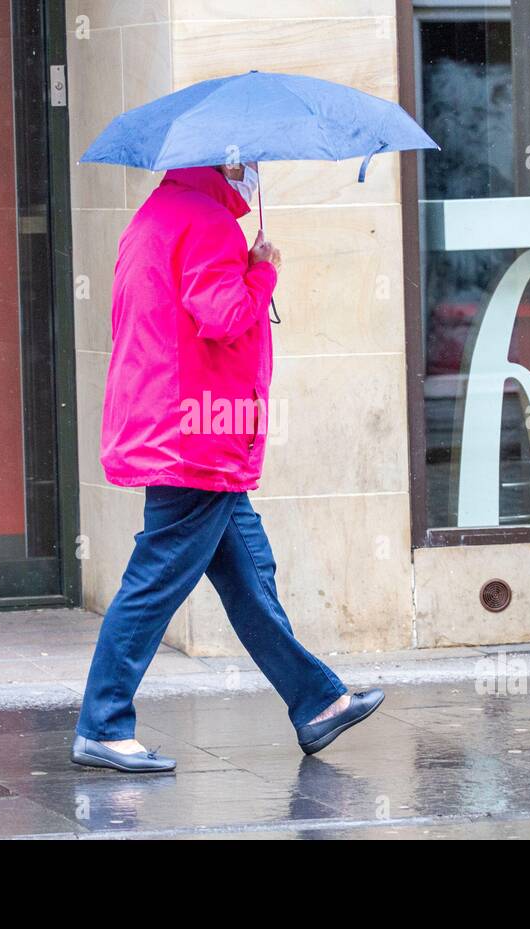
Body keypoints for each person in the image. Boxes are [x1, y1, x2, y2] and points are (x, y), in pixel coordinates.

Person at [72, 162, 384, 773]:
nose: (256, 178)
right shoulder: (210, 222)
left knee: (249, 570)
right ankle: (102, 724)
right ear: (230, 166)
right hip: (197, 434)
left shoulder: (155, 216)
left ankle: (317, 701)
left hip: (178, 424)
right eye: (251, 167)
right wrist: (263, 270)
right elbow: (223, 317)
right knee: (157, 579)